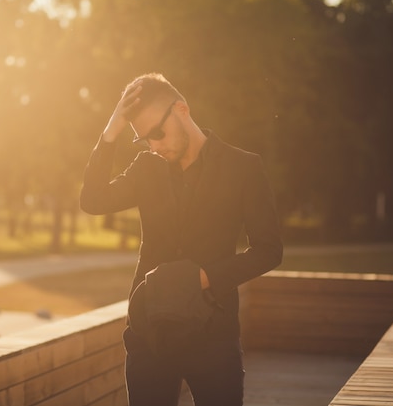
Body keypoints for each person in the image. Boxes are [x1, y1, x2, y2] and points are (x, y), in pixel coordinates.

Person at [80, 73, 283, 406]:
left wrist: (200, 280)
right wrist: (111, 131)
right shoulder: (146, 166)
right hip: (149, 334)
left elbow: (269, 251)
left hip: (213, 335)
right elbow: (93, 200)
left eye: (157, 133)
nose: (154, 146)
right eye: (145, 139)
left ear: (182, 110)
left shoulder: (243, 167)